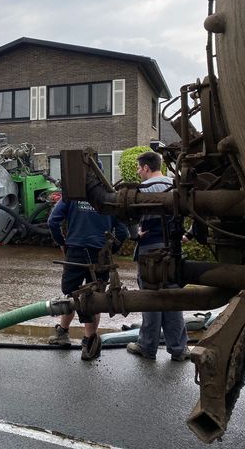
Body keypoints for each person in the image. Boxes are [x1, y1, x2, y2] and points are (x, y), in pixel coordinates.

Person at [47, 193, 129, 360]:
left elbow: (52, 221)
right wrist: (109, 251)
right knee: (96, 299)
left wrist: (62, 243)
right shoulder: (109, 197)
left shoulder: (72, 195)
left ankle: (63, 334)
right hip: (101, 254)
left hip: (76, 251)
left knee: (71, 294)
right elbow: (123, 232)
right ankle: (88, 342)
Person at [127, 151, 191, 361]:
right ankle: (179, 349)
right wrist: (185, 234)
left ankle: (147, 347)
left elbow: (127, 214)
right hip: (173, 250)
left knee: (151, 298)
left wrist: (134, 232)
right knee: (172, 298)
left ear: (146, 168)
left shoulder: (144, 189)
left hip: (149, 251)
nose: (138, 172)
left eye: (139, 168)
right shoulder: (175, 185)